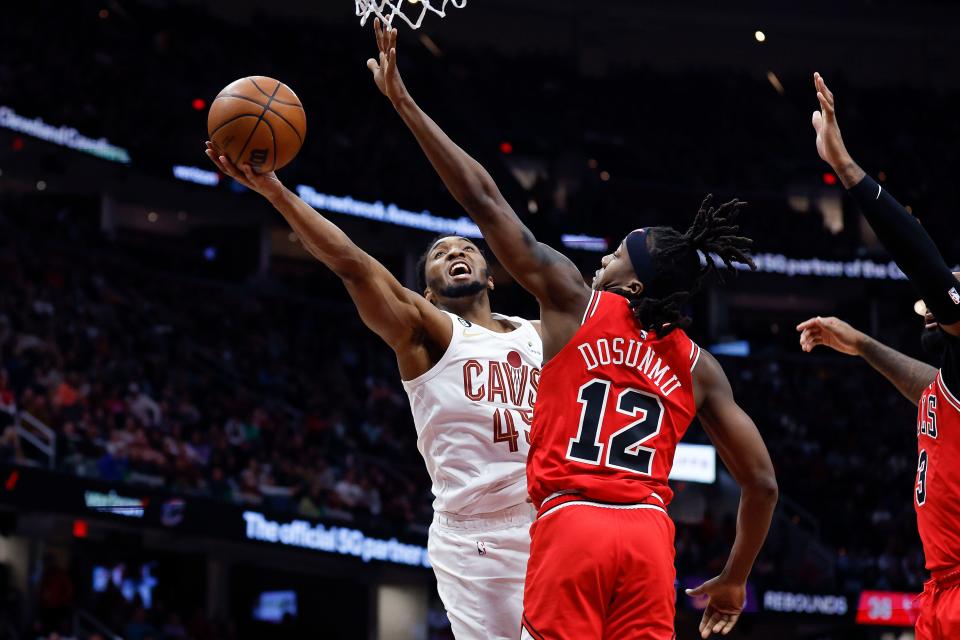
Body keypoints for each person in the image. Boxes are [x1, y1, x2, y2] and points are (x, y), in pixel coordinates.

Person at [370, 22, 778, 639]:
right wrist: (734, 576)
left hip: (571, 525)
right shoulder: (699, 365)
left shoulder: (576, 302)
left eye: (615, 255)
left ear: (633, 285)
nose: (602, 259)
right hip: (646, 536)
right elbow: (764, 483)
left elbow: (484, 199)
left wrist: (404, 104)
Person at [204, 113, 543, 640]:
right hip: (476, 538)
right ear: (426, 292)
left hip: (553, 518)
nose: (455, 252)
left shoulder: (540, 335)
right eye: (439, 254)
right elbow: (355, 266)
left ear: (492, 276)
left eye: (466, 247)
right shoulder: (426, 332)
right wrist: (275, 192)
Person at [800, 71, 960, 640]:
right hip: (940, 591)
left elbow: (927, 268)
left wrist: (845, 167)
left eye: (939, 311)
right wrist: (863, 344)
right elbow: (930, 389)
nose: (931, 317)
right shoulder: (951, 387)